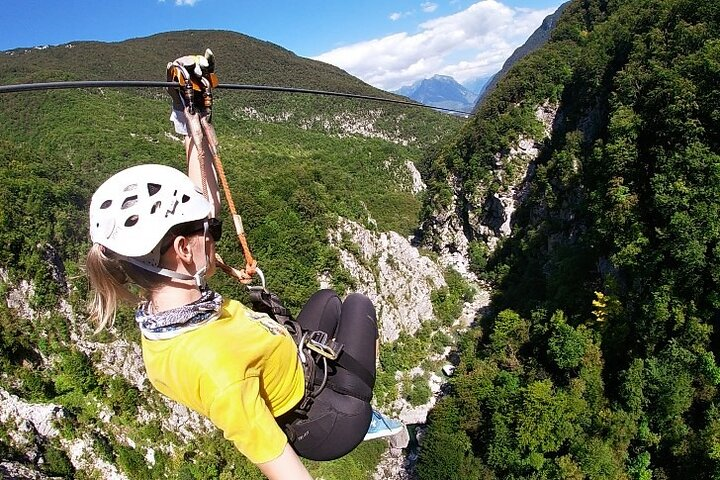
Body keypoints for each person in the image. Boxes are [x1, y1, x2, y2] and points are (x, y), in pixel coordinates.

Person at [84, 54, 402, 480]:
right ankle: (364, 408)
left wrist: (192, 120)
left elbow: (200, 200)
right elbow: (286, 472)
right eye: (208, 231)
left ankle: (340, 376)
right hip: (325, 419)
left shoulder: (166, 311)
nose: (213, 234)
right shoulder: (216, 369)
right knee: (359, 304)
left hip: (292, 358)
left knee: (328, 300)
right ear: (182, 248)